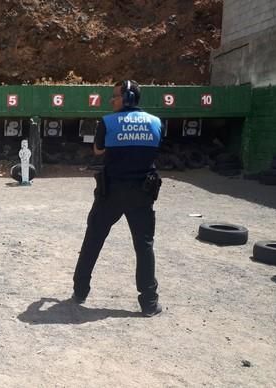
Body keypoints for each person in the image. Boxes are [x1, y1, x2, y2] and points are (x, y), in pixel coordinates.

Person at [71, 80, 163, 317]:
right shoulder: (156, 122)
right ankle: (150, 303)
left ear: (128, 97)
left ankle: (80, 291)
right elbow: (153, 149)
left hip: (111, 192)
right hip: (142, 192)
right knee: (144, 247)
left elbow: (99, 150)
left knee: (93, 239)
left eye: (115, 96)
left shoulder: (107, 122)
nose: (111, 100)